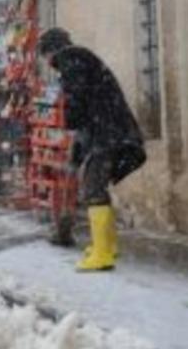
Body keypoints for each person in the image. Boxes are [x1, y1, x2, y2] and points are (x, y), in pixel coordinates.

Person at [38, 28, 147, 272]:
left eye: (44, 56)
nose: (46, 63)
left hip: (106, 133)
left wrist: (70, 123)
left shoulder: (70, 60)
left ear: (50, 51)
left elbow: (76, 99)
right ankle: (107, 245)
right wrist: (78, 147)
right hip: (110, 131)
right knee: (96, 186)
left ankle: (102, 254)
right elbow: (87, 100)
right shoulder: (80, 58)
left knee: (93, 188)